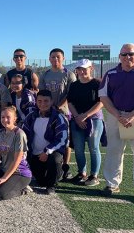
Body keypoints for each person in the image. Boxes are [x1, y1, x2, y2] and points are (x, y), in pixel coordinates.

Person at [99, 43, 134, 204]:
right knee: (114, 151)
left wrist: (133, 115)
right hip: (116, 116)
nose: (127, 57)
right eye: (124, 54)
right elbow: (104, 97)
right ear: (119, 56)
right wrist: (118, 115)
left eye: (131, 54)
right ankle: (112, 184)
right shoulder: (111, 74)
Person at [38, 48, 76, 180]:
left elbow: (70, 94)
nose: (55, 59)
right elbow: (42, 94)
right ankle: (49, 164)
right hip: (47, 112)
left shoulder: (69, 74)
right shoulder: (45, 75)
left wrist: (58, 106)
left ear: (63, 58)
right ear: (49, 59)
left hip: (63, 112)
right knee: (48, 137)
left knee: (65, 140)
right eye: (53, 57)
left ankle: (65, 167)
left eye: (58, 57)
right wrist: (48, 107)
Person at [22, 90, 68, 194]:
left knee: (55, 160)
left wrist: (47, 151)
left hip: (50, 154)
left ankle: (52, 184)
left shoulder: (58, 117)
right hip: (35, 155)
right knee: (41, 181)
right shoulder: (31, 116)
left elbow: (62, 139)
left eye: (46, 101)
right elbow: (23, 135)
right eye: (40, 101)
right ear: (36, 102)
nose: (43, 104)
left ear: (51, 101)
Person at [67, 59, 104, 186]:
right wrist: (77, 117)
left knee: (93, 148)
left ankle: (94, 175)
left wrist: (85, 116)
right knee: (78, 148)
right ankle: (82, 173)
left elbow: (101, 102)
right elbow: (70, 102)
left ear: (91, 68)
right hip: (77, 119)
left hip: (94, 119)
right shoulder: (74, 85)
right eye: (79, 69)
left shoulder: (98, 83)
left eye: (85, 68)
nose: (82, 71)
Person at [0, 106, 32, 200]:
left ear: (15, 119)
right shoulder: (0, 132)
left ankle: (23, 189)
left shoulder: (19, 134)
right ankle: (6, 184)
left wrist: (4, 179)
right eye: (2, 117)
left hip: (19, 173)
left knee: (0, 194)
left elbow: (17, 160)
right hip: (5, 170)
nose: (5, 119)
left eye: (8, 117)